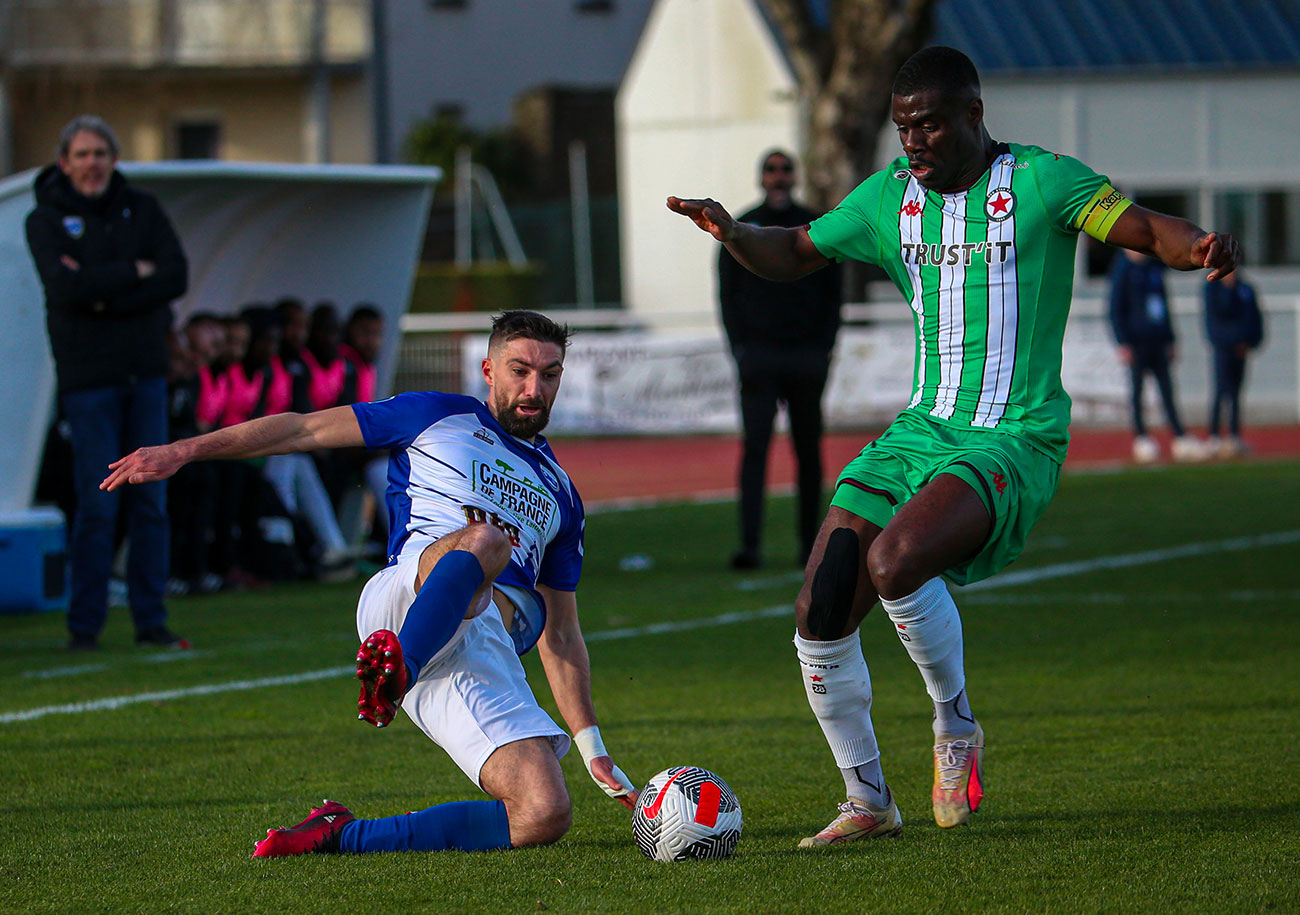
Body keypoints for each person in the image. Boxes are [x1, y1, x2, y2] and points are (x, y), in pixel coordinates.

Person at [668, 45, 1239, 846]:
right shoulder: (887, 200)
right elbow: (794, 252)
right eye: (905, 129)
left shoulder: (1042, 181)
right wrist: (732, 232)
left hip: (1014, 433)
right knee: (819, 605)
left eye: (930, 124)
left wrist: (1200, 246)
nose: (915, 142)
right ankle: (868, 800)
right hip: (918, 430)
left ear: (973, 115)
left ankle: (954, 724)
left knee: (896, 560)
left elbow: (1145, 228)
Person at [102, 310, 638, 856]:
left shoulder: (562, 494)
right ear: (488, 370)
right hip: (409, 598)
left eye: (549, 374)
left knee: (543, 812)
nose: (534, 387)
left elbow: (563, 635)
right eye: (519, 370)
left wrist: (591, 744)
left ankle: (338, 834)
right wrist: (182, 450)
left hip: (478, 651)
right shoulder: (435, 414)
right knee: (486, 541)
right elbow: (302, 428)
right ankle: (396, 667)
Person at [24, 115, 189, 650]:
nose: (92, 163)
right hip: (87, 379)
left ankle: (150, 620)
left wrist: (99, 291)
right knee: (97, 503)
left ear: (114, 159)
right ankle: (85, 627)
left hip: (144, 374)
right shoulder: (44, 219)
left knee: (152, 501)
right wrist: (133, 274)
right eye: (82, 154)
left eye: (100, 153)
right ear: (64, 162)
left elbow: (175, 275)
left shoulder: (142, 209)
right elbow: (64, 288)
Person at [719, 150, 842, 570]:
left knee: (808, 453)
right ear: (762, 177)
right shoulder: (740, 226)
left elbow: (834, 293)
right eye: (771, 170)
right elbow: (727, 295)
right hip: (759, 357)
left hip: (805, 356)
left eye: (785, 169)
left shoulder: (815, 224)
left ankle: (811, 544)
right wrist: (741, 348)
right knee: (755, 450)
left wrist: (823, 347)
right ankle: (749, 545)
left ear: (794, 176)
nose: (778, 177)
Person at [1108, 248, 1203, 463]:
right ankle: (1142, 438)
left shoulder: (1154, 267)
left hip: (1158, 340)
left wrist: (1171, 338)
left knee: (1168, 391)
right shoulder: (1122, 270)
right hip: (1136, 342)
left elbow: (1164, 304)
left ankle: (1179, 437)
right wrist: (1123, 342)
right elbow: (1115, 309)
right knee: (1137, 392)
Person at [1204, 266, 1264, 457]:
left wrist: (1250, 342)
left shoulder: (1245, 288)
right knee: (1221, 390)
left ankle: (1234, 435)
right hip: (1223, 349)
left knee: (1236, 393)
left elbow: (1254, 318)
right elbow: (1215, 319)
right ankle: (1214, 436)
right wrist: (1228, 290)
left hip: (1242, 349)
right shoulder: (1213, 288)